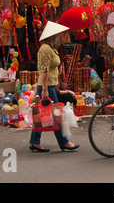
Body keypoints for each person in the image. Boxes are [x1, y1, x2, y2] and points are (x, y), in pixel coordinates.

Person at [29, 21, 80, 152]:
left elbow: (52, 70)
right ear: (52, 35)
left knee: (43, 115)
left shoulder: (52, 48)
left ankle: (35, 141)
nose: (59, 36)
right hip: (46, 87)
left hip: (51, 86)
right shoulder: (45, 49)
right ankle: (64, 142)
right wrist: (45, 90)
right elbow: (44, 70)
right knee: (55, 115)